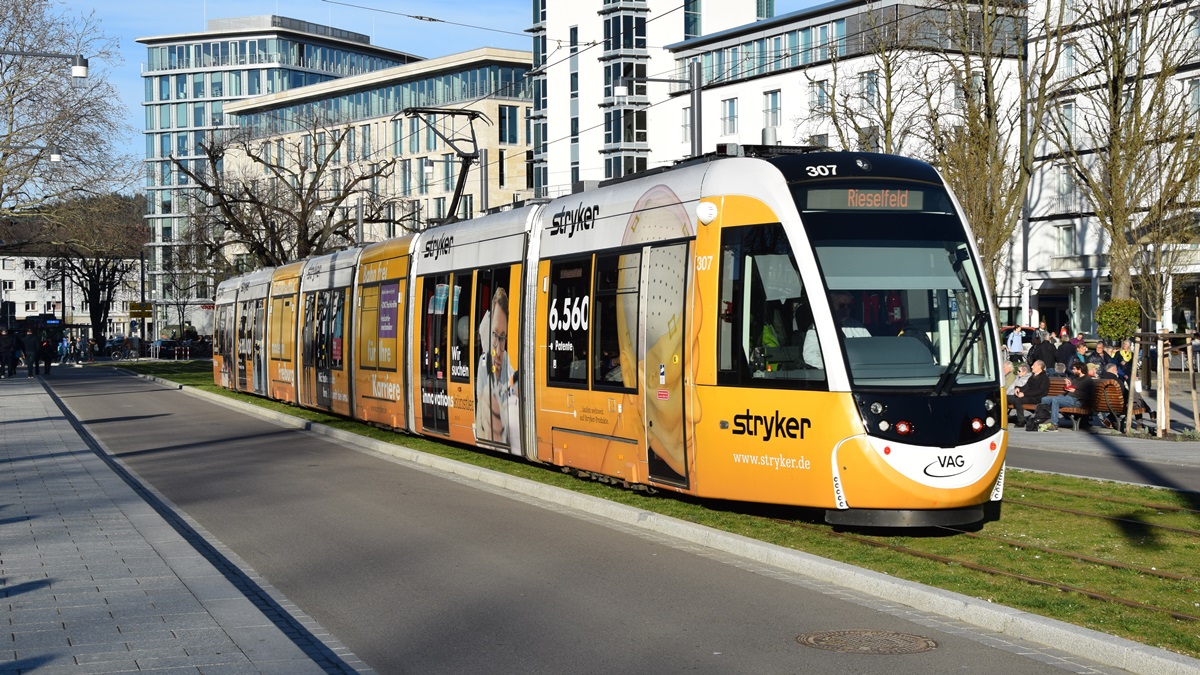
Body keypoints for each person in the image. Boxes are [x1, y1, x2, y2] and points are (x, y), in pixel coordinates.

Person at [475, 287, 519, 450]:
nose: (497, 347)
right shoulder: (483, 363)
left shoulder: (506, 359)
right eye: (494, 334)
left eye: (502, 338)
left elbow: (514, 385)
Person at [803, 291, 870, 369]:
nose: (846, 309)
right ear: (831, 305)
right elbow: (810, 356)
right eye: (842, 305)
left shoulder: (857, 326)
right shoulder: (819, 326)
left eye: (849, 306)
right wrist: (837, 366)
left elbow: (870, 348)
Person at [1036, 360, 1095, 431]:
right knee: (1044, 399)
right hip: (1067, 397)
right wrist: (1068, 385)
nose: (1072, 370)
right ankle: (1043, 419)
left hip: (1077, 401)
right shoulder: (1076, 378)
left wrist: (1075, 391)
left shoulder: (1088, 381)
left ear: (1080, 369)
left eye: (1074, 369)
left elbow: (1089, 396)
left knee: (1055, 400)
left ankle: (1054, 424)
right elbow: (1071, 390)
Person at [1013, 359, 1049, 428]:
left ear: (1039, 366)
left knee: (1018, 400)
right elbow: (1026, 386)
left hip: (1036, 398)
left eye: (1034, 365)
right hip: (1028, 396)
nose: (1032, 367)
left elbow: (1040, 391)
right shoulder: (1033, 376)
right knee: (1006, 398)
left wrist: (1024, 394)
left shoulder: (1044, 378)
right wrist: (1018, 388)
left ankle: (1021, 421)